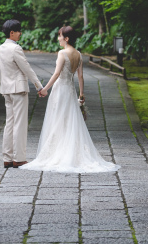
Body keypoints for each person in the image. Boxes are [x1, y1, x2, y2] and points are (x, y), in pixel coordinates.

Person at [20, 25, 120, 174]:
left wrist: (44, 89)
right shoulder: (78, 54)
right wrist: (81, 94)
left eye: (60, 36)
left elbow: (56, 74)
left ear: (66, 38)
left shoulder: (62, 53)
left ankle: (58, 152)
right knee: (69, 120)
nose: (58, 38)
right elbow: (80, 76)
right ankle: (70, 150)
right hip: (71, 90)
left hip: (60, 91)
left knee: (58, 120)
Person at [0, 19, 47, 169]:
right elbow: (27, 69)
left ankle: (7, 158)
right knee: (19, 123)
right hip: (18, 89)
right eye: (18, 31)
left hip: (6, 89)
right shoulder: (15, 49)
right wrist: (39, 86)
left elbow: (0, 71)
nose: (20, 33)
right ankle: (19, 158)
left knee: (9, 123)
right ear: (11, 33)